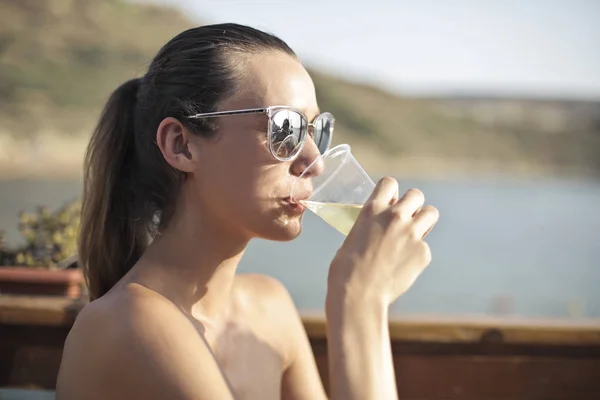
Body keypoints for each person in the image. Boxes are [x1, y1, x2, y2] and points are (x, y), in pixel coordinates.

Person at [56, 23, 439, 400]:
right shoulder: (131, 322)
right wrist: (359, 299)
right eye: (284, 128)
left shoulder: (268, 307)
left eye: (316, 131)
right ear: (182, 145)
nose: (314, 160)